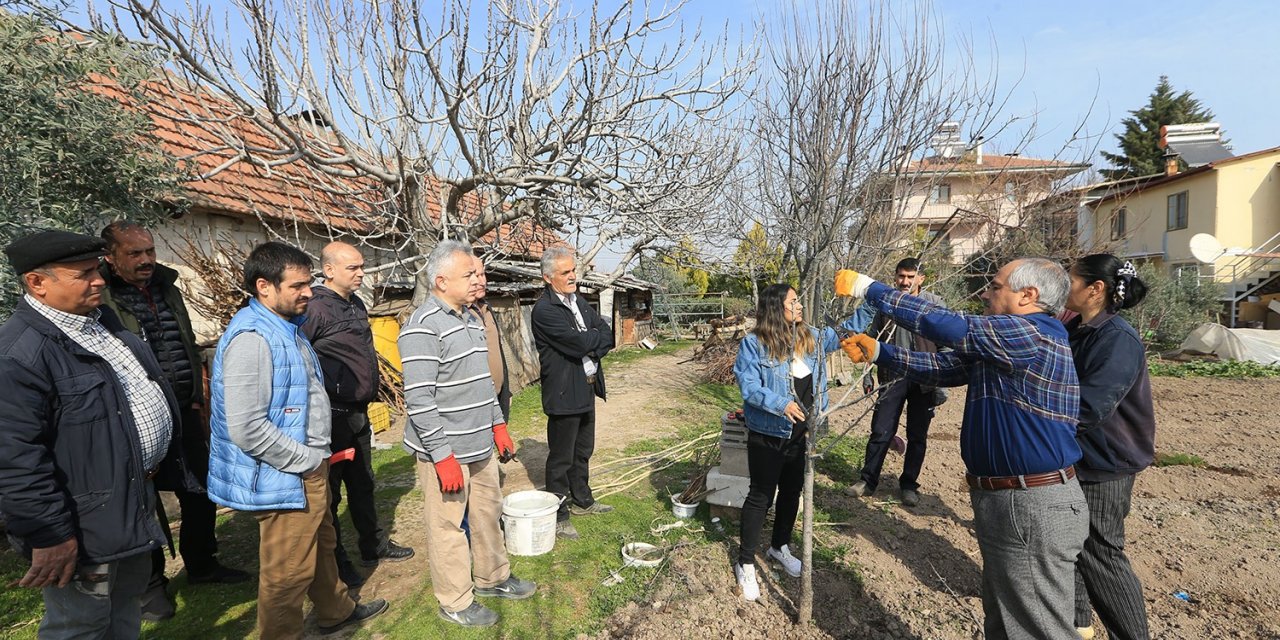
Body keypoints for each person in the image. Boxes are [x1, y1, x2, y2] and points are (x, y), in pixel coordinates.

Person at [838, 258, 1088, 639]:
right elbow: (946, 368)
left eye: (995, 286)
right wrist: (880, 354)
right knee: (1008, 619)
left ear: (1029, 296)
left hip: (1031, 501)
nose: (986, 294)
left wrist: (869, 289)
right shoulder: (1011, 344)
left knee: (1037, 628)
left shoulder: (1028, 334)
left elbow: (947, 325)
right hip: (1012, 498)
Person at [0, 229, 195, 638]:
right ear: (37, 283)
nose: (100, 280)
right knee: (80, 624)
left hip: (130, 498)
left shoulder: (100, 322)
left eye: (98, 270)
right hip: (81, 521)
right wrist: (50, 535)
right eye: (84, 273)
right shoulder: (19, 355)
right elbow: (15, 459)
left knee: (125, 604)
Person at [208, 242, 387, 638]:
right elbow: (246, 426)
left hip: (306, 465)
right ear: (264, 286)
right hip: (285, 475)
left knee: (321, 544)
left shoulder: (285, 327)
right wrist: (306, 461)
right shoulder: (252, 339)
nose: (309, 292)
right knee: (287, 573)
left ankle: (335, 610)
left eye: (309, 283)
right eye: (299, 286)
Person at [98, 221, 251, 621]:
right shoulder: (102, 297)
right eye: (135, 254)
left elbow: (183, 342)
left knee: (200, 490)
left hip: (184, 410)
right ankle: (151, 588)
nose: (147, 260)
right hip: (138, 418)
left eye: (149, 251)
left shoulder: (168, 286)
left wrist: (198, 398)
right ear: (111, 257)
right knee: (146, 503)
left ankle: (202, 564)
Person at [399, 240, 535, 628]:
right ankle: (456, 600)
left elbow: (481, 383)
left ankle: (493, 578)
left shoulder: (471, 319)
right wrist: (442, 456)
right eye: (469, 274)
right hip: (447, 452)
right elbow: (420, 400)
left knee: (487, 514)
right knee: (447, 529)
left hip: (480, 445)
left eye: (478, 273)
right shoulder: (423, 327)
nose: (478, 279)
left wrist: (498, 424)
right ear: (441, 281)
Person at [301, 241, 414, 589]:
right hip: (331, 418)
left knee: (363, 483)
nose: (361, 273)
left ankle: (373, 545)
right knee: (330, 495)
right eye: (353, 267)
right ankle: (337, 565)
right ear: (329, 270)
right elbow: (299, 360)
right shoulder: (315, 309)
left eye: (362, 266)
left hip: (359, 413)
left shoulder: (357, 304)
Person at [731, 283, 850, 601]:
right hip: (769, 434)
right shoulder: (755, 344)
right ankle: (745, 562)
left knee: (792, 492)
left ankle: (779, 546)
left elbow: (844, 333)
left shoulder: (808, 337)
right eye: (793, 302)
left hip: (801, 436)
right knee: (761, 496)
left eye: (798, 300)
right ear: (775, 308)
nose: (799, 306)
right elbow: (749, 386)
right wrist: (779, 403)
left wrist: (877, 297)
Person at [1064, 255, 1155, 640]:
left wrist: (1035, 424)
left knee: (1101, 554)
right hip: (1081, 456)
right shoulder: (1082, 330)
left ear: (1094, 289)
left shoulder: (1116, 338)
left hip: (1106, 463)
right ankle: (1079, 626)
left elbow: (1090, 406)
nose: (1064, 287)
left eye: (1071, 280)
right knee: (1072, 546)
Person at [843, 258, 945, 507]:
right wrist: (867, 373)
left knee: (917, 435)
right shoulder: (887, 304)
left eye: (911, 277)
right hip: (892, 376)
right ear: (895, 277)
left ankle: (909, 485)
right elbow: (873, 340)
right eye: (901, 276)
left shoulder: (935, 305)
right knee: (881, 429)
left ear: (921, 278)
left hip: (924, 377)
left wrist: (940, 385)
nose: (905, 282)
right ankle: (868, 481)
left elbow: (945, 345)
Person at [531, 246, 616, 540]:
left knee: (583, 451)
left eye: (573, 271)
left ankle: (583, 499)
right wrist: (590, 341)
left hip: (587, 386)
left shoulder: (577, 300)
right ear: (547, 277)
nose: (572, 277)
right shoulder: (544, 310)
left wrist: (590, 341)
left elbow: (607, 333)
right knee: (561, 458)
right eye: (565, 272)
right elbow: (577, 344)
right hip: (564, 392)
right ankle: (559, 511)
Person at [471, 254, 511, 422]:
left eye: (483, 274)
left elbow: (496, 352)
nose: (482, 281)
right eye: (474, 275)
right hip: (473, 409)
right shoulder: (455, 315)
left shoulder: (486, 308)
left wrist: (505, 391)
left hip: (495, 401)